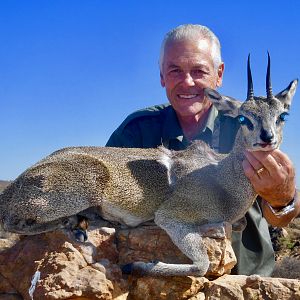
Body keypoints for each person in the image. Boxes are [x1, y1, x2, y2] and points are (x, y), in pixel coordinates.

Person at [106, 24, 300, 275]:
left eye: (199, 71)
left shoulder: (252, 125)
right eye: (175, 70)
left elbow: (281, 217)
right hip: (159, 276)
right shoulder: (136, 131)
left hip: (243, 279)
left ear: (218, 74)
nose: (187, 82)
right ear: (162, 75)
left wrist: (283, 198)